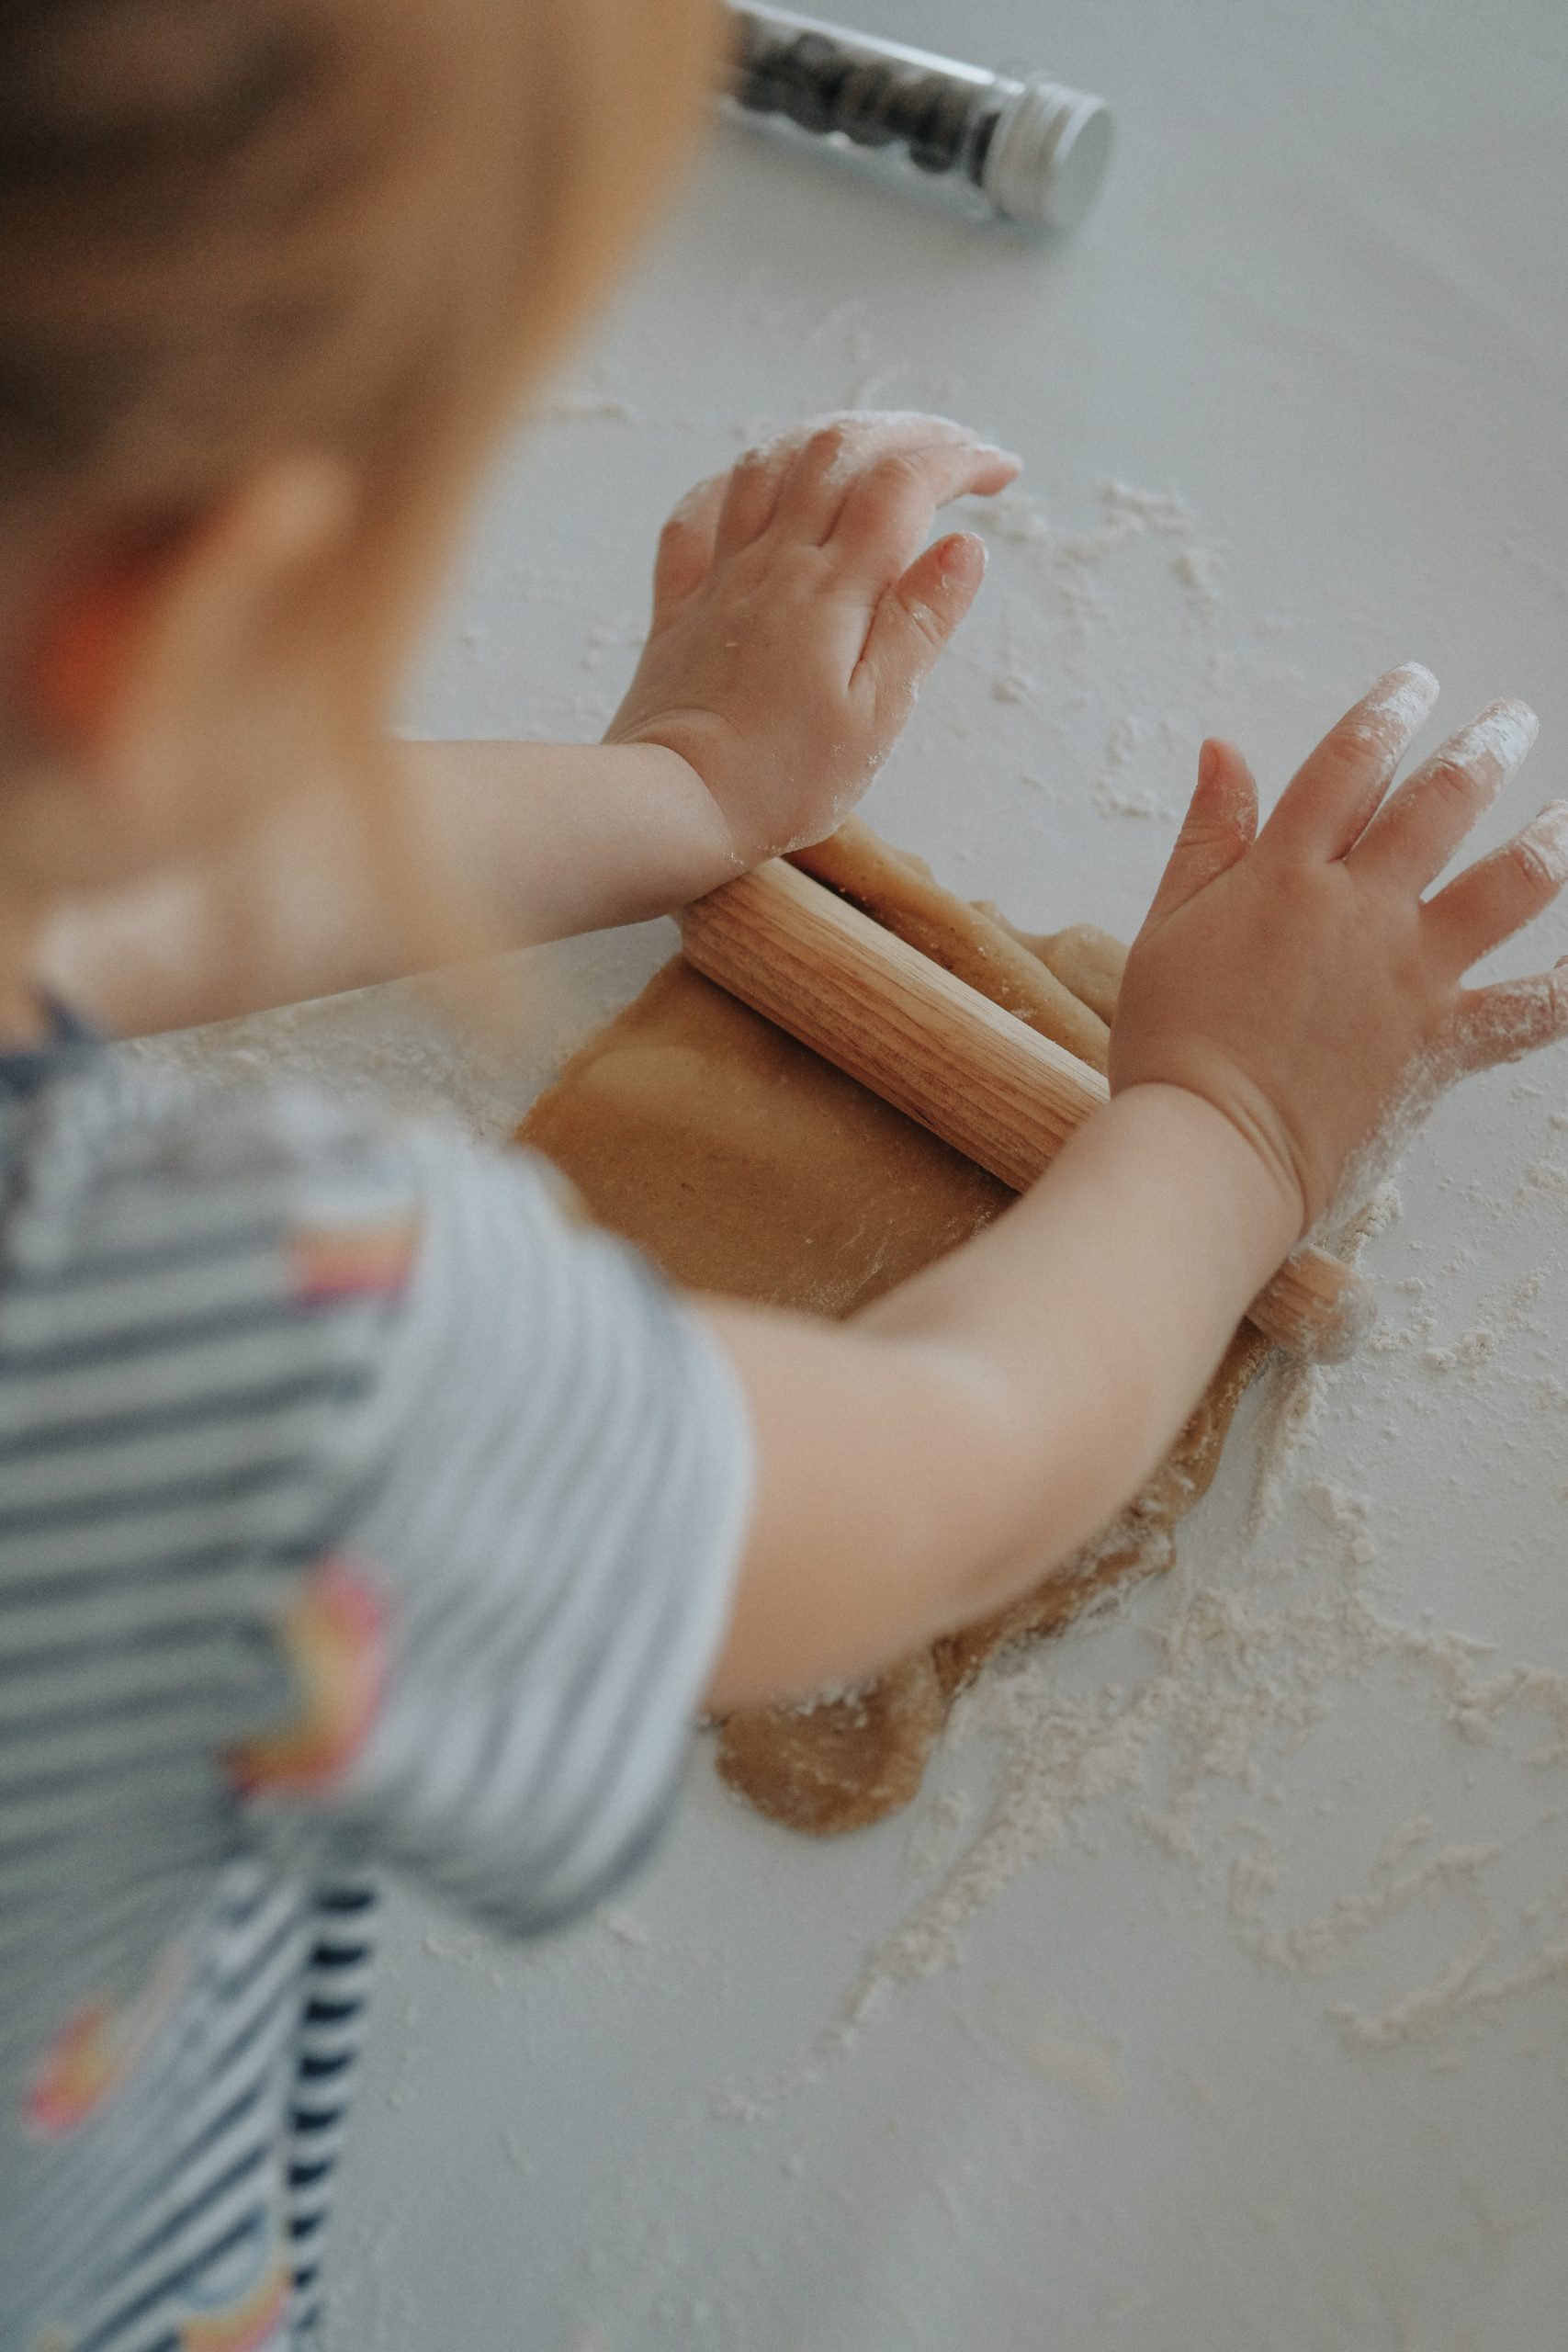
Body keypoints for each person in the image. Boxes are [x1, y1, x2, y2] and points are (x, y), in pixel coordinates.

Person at [2, 2, 1564, 2345]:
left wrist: (674, 797)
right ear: (195, 619)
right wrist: (1225, 1129)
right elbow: (908, 1488)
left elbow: (78, 896)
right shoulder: (233, 1350)